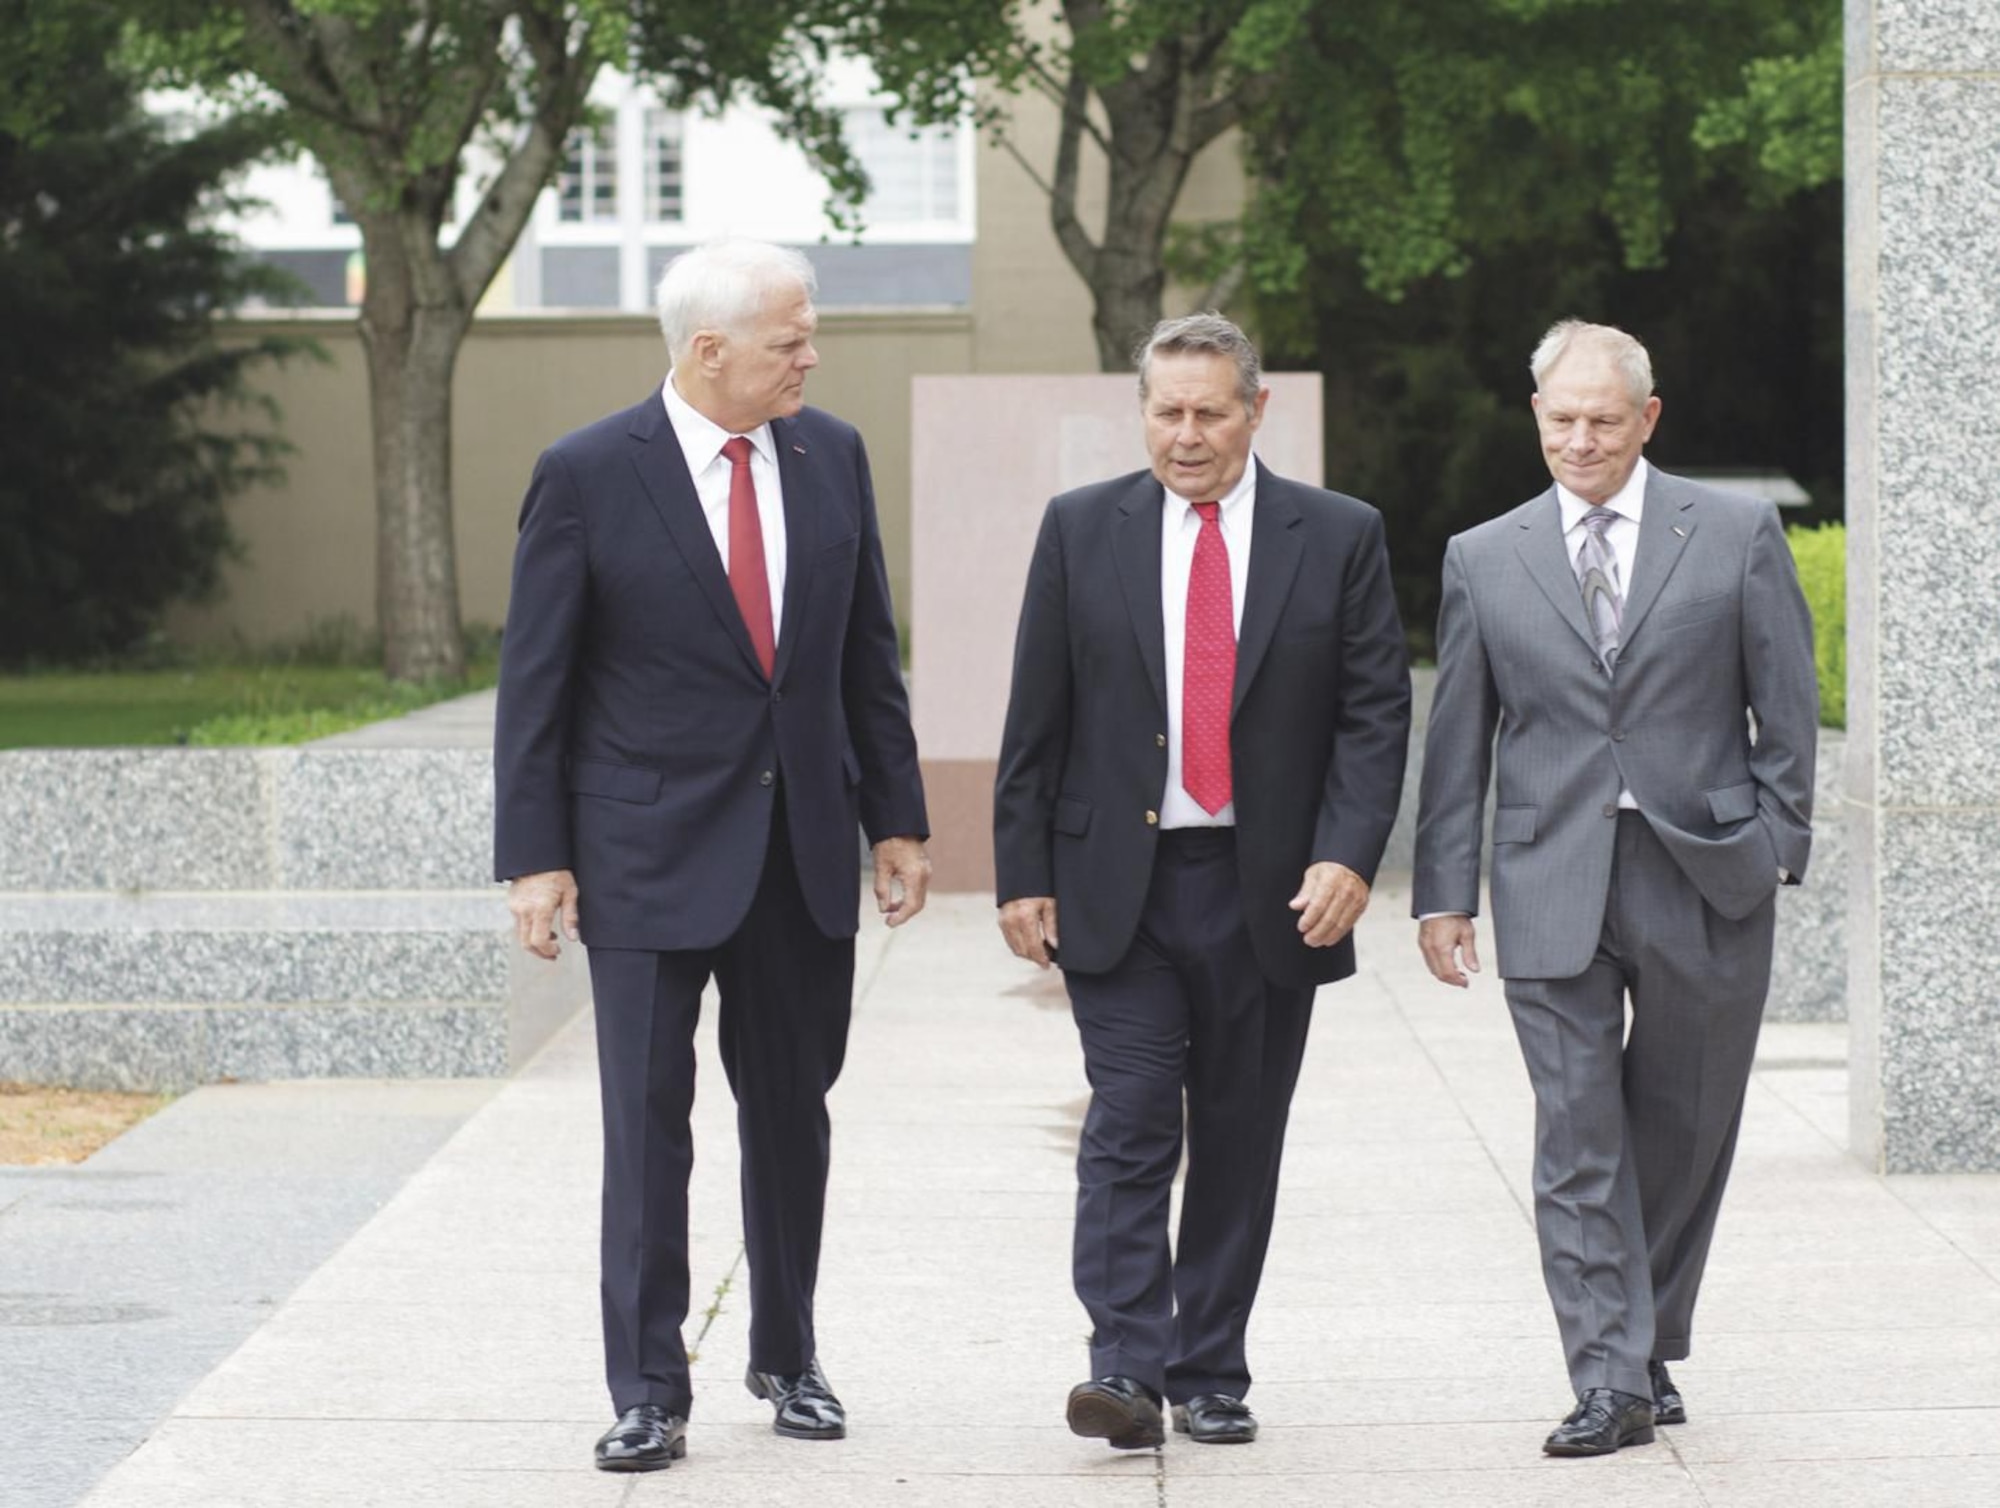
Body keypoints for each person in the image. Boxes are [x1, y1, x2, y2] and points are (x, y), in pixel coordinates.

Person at [492, 240, 931, 1474]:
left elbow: (864, 654)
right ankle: (647, 1385)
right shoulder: (585, 474)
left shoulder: (830, 453)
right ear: (707, 351)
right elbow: (536, 684)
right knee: (646, 1124)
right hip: (638, 851)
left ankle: (788, 1356)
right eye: (790, 338)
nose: (810, 354)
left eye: (808, 334)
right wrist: (535, 858)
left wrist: (894, 818)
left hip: (797, 848)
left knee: (790, 1112)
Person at [993, 313, 1411, 1450]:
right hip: (1114, 883)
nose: (1184, 435)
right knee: (1129, 1118)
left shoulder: (1336, 534)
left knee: (1236, 1127)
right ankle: (1123, 1367)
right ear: (1142, 412)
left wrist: (1347, 852)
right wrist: (1018, 868)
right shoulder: (1082, 529)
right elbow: (1036, 714)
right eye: (1164, 411)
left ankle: (1210, 1365)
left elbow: (1374, 715)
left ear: (1253, 411)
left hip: (1266, 885)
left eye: (1207, 411)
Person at [1413, 320, 1817, 1457]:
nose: (1577, 439)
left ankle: (1643, 1338)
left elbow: (1783, 701)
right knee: (1576, 1133)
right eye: (1558, 419)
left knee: (1684, 1128)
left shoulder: (1731, 530)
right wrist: (1442, 892)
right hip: (1548, 877)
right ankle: (1606, 1374)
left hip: (1705, 869)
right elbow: (1458, 740)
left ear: (1646, 418)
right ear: (1533, 416)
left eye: (1600, 419)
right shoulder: (1482, 555)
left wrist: (1776, 841)